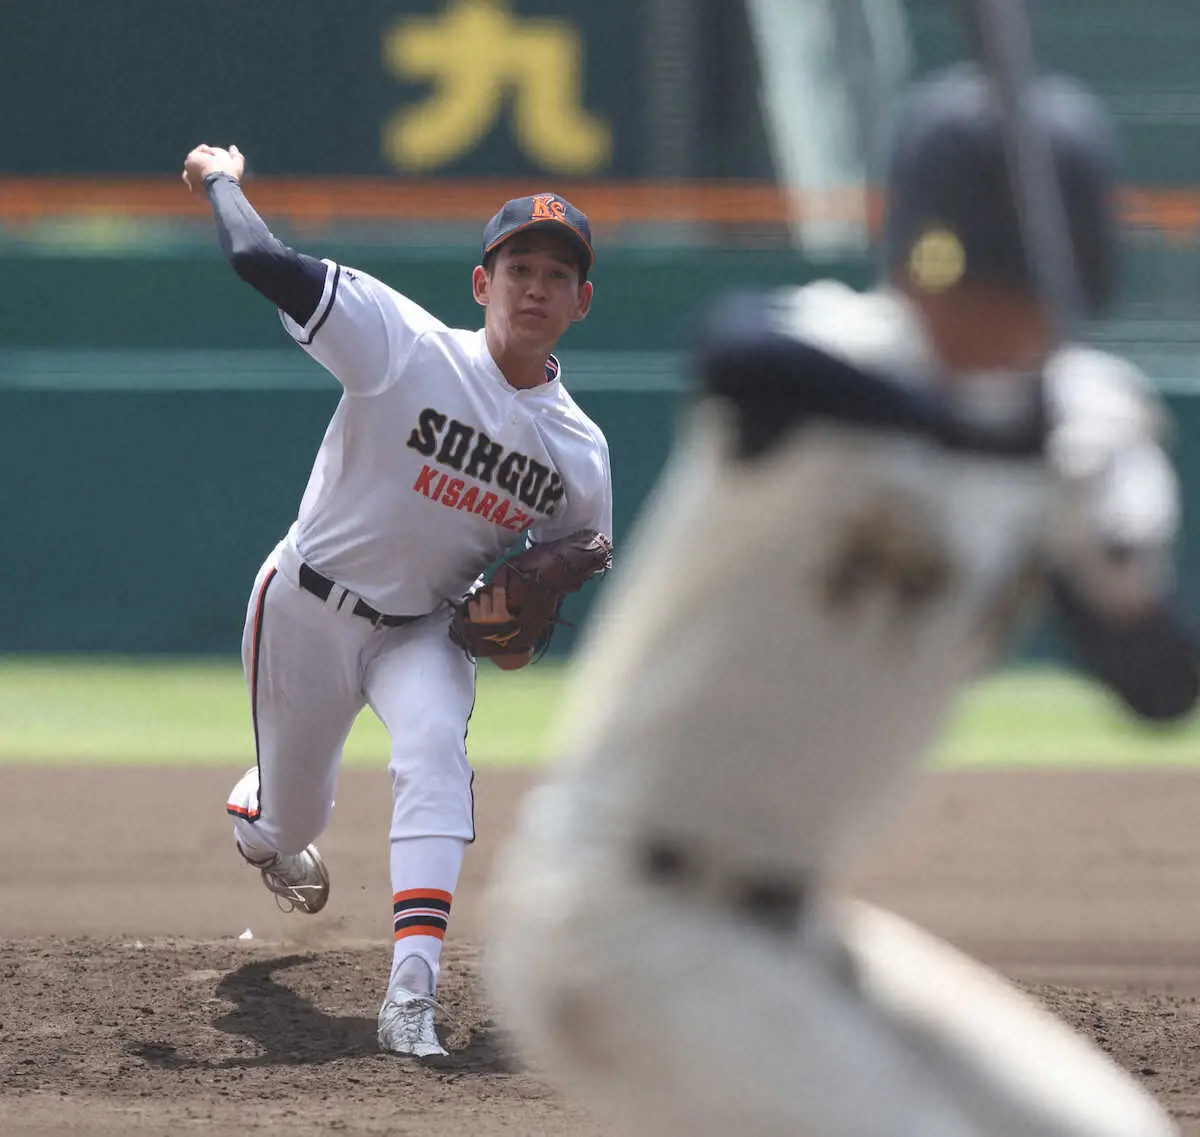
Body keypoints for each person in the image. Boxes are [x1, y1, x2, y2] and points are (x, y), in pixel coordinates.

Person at [486, 66, 1196, 1137]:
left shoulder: (1080, 434)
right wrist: (1006, 439)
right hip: (615, 917)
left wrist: (1116, 568)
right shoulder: (830, 361)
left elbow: (1154, 691)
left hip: (790, 928)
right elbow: (738, 352)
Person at [180, 146, 613, 1059]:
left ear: (582, 302)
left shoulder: (579, 453)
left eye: (557, 276)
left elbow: (534, 618)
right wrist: (219, 177)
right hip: (305, 605)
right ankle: (259, 823)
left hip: (423, 630)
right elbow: (261, 263)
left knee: (433, 753)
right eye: (518, 269)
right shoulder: (401, 344)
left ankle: (410, 995)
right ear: (480, 283)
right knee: (288, 821)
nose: (534, 289)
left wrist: (511, 635)